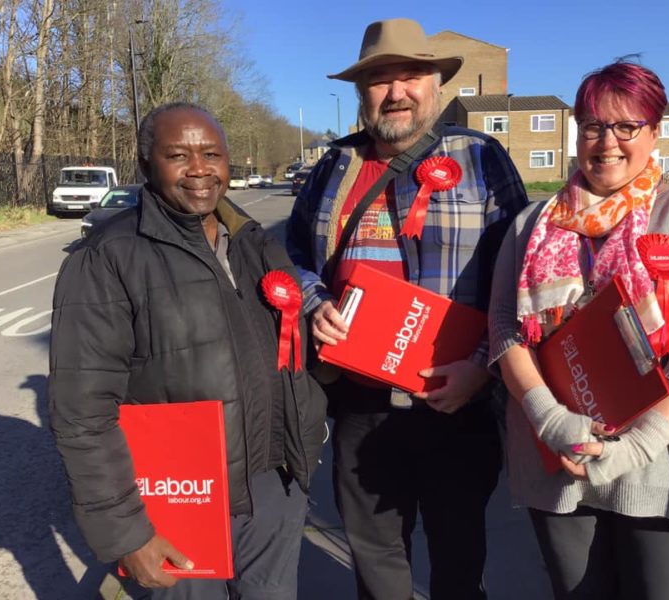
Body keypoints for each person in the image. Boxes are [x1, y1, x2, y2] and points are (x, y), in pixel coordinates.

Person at [285, 17, 529, 600]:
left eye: (410, 77)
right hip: (359, 402)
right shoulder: (331, 166)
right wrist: (313, 301)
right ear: (360, 92)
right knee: (377, 566)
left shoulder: (482, 157)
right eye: (379, 80)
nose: (395, 92)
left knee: (458, 563)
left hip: (456, 402)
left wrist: (481, 366)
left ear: (435, 86)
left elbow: (524, 272)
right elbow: (294, 253)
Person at [488, 61, 669, 600]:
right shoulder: (531, 226)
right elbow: (504, 327)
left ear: (653, 132)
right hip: (562, 462)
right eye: (592, 126)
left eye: (625, 126)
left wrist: (638, 445)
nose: (607, 142)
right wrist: (549, 419)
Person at [48, 102, 327, 600]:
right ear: (146, 165)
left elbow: (289, 350)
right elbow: (82, 413)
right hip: (183, 504)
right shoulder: (107, 260)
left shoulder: (253, 242)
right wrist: (128, 533)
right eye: (179, 154)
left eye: (212, 154)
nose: (199, 168)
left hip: (274, 489)